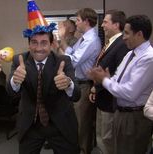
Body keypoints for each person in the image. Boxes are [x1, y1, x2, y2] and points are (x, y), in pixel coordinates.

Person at [7, 1, 80, 153]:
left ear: (52, 44)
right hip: (31, 123)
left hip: (60, 123)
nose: (38, 48)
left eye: (44, 43)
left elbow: (77, 95)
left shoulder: (63, 61)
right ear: (29, 44)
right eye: (34, 42)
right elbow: (11, 93)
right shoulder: (20, 60)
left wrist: (68, 84)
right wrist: (15, 81)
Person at [88, 15, 153, 154]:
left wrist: (104, 80)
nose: (123, 37)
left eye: (127, 33)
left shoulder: (149, 58)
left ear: (140, 34)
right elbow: (117, 79)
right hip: (120, 112)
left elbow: (130, 92)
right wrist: (106, 78)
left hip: (134, 117)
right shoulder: (130, 54)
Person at [89, 10, 129, 154]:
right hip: (102, 97)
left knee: (107, 139)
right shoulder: (110, 43)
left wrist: (98, 86)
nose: (102, 25)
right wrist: (95, 87)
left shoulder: (121, 45)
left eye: (105, 22)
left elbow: (117, 74)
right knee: (101, 137)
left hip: (110, 100)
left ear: (116, 24)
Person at [63, 8, 101, 154]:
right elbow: (73, 54)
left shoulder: (91, 40)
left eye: (78, 20)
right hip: (77, 84)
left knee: (82, 124)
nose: (76, 23)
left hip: (85, 85)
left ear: (86, 21)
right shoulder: (83, 38)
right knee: (75, 123)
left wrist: (63, 45)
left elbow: (73, 61)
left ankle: (84, 151)